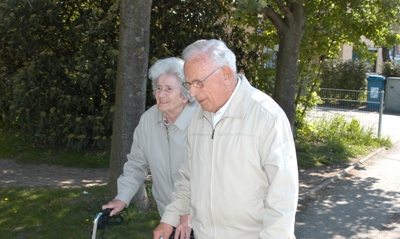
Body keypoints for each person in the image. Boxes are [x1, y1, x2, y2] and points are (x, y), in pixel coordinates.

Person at [153, 40, 299, 239]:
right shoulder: (199, 117)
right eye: (189, 84)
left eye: (198, 83)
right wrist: (169, 218)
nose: (193, 93)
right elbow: (189, 176)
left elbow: (283, 196)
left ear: (226, 75)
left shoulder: (267, 117)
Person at [102, 57, 197, 237]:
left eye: (169, 89)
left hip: (201, 218)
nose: (161, 94)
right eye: (159, 88)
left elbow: (208, 176)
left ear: (185, 95)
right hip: (168, 216)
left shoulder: (201, 122)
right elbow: (136, 163)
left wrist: (188, 214)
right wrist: (122, 197)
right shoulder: (148, 120)